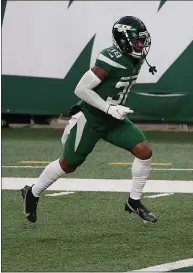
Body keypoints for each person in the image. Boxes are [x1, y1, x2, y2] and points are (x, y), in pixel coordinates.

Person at [21, 16, 158, 224]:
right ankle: (33, 191)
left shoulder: (135, 58)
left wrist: (112, 110)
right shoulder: (110, 59)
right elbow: (80, 89)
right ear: (123, 40)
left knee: (144, 151)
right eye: (137, 41)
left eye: (142, 40)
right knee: (68, 164)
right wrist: (108, 108)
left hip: (113, 119)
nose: (141, 45)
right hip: (92, 119)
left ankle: (134, 201)